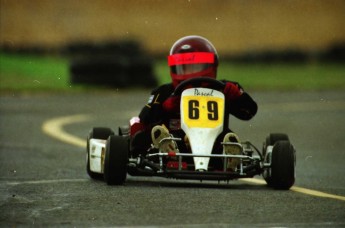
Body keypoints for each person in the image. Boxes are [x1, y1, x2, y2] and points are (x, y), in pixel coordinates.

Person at [130, 35, 257, 171]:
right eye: (184, 68)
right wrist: (165, 108)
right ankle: (168, 149)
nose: (189, 73)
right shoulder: (165, 91)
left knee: (225, 137)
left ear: (209, 66)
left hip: (215, 140)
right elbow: (144, 119)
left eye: (194, 67)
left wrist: (238, 97)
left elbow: (249, 113)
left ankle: (229, 154)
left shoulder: (224, 89)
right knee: (158, 136)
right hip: (177, 140)